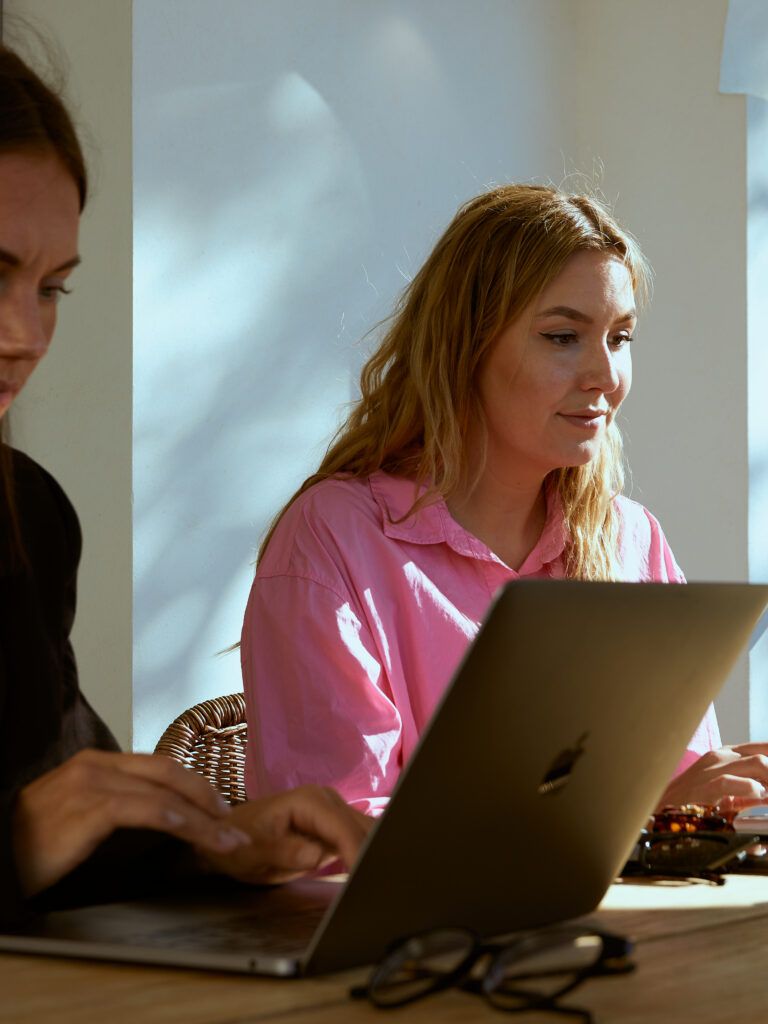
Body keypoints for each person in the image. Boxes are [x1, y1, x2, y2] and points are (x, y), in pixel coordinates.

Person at [242, 183, 768, 817]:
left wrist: (717, 801)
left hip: (622, 917)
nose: (604, 375)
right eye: (561, 336)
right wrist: (639, 811)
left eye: (620, 337)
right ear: (467, 345)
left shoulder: (633, 542)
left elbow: (684, 793)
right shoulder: (333, 540)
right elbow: (331, 837)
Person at [0, 44, 370, 929]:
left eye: (52, 288)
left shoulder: (29, 514)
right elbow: (33, 838)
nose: (25, 333)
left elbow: (78, 826)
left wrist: (218, 845)